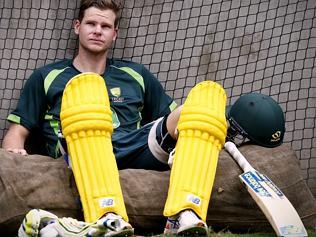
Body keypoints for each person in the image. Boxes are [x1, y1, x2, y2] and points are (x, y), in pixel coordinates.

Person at [2, 0, 285, 236]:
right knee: (87, 88)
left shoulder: (135, 74)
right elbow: (18, 131)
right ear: (77, 27)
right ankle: (106, 215)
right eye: (91, 24)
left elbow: (177, 118)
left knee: (205, 98)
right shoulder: (47, 76)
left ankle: (185, 214)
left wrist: (208, 124)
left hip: (134, 147)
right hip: (81, 148)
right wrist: (13, 152)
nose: (97, 31)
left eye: (105, 26)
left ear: (115, 33)